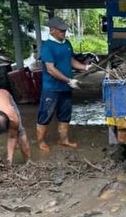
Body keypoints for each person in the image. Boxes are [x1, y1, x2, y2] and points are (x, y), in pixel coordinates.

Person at [36, 16, 92, 152]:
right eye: (61, 31)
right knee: (45, 115)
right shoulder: (47, 46)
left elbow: (71, 60)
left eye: (64, 30)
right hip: (51, 89)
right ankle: (41, 142)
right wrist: (69, 80)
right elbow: (50, 69)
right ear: (52, 31)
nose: (64, 33)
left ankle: (64, 140)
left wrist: (85, 67)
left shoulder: (66, 44)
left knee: (65, 115)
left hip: (65, 88)